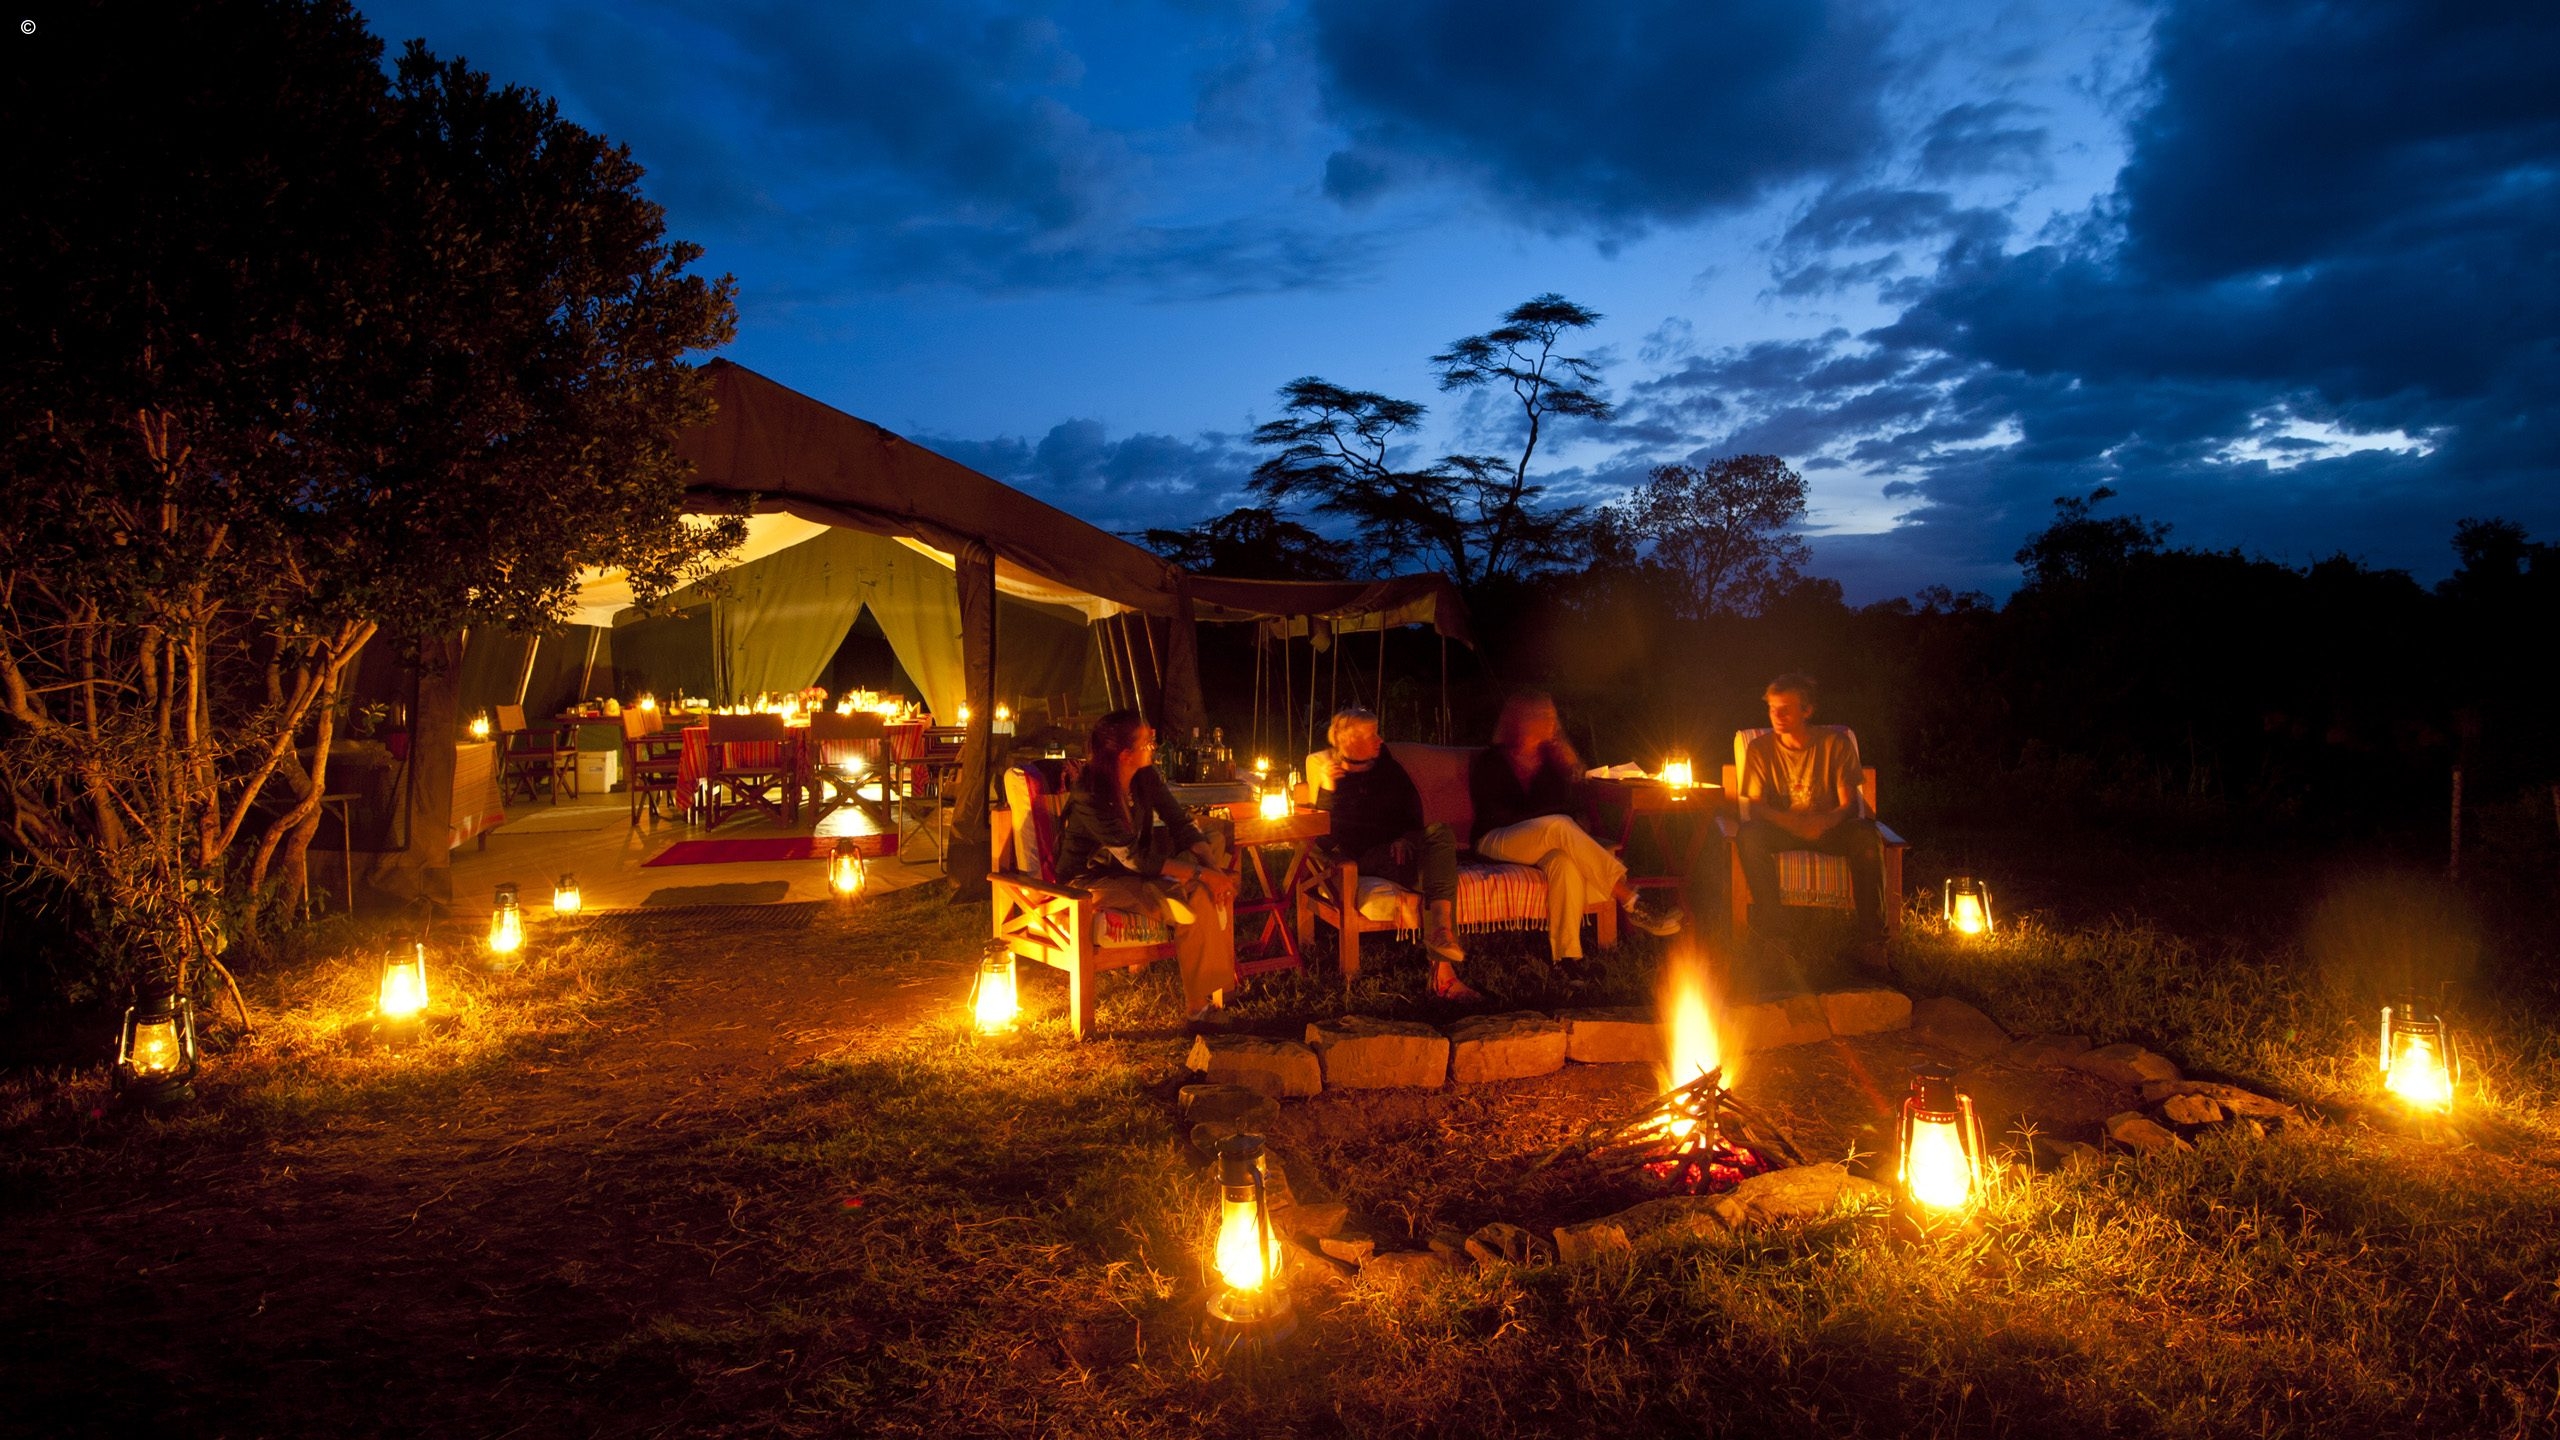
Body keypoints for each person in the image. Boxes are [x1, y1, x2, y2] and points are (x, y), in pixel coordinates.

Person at [1467, 690, 1684, 965]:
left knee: (1565, 864)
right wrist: (1551, 819)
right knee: (1558, 826)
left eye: (1551, 715)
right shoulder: (1491, 761)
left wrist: (1567, 759)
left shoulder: (1550, 764)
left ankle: (1568, 958)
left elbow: (1569, 802)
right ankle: (1631, 901)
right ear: (1522, 719)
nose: (1551, 721)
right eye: (1543, 715)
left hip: (1541, 842)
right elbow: (1499, 813)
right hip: (1494, 839)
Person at [1056, 709, 1241, 1024]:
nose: (1153, 748)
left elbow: (1179, 821)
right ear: (1126, 754)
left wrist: (1213, 868)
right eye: (1147, 743)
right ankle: (1199, 1006)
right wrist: (1202, 875)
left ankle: (1210, 990)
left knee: (1211, 841)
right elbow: (1136, 859)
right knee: (1191, 900)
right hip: (1092, 882)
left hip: (1133, 870)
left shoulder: (1145, 776)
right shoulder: (1091, 794)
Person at [1309, 707, 1477, 1001]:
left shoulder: (1389, 768)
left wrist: (1404, 837)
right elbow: (1324, 842)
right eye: (1371, 734)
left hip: (1402, 849)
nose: (1380, 740)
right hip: (1368, 856)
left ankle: (1441, 938)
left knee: (1440, 834)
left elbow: (1414, 814)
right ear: (1348, 741)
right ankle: (1444, 974)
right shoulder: (1333, 778)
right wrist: (1328, 790)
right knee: (1438, 877)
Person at [1733, 672, 1886, 968]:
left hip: (1829, 828)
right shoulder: (1760, 749)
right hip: (1782, 828)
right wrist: (1793, 823)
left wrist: (1824, 821)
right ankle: (1777, 938)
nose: (1776, 716)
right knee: (1749, 836)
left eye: (1785, 708)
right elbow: (1756, 808)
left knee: (1867, 837)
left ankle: (1873, 943)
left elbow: (1849, 805)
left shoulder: (1835, 744)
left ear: (1807, 710)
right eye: (1772, 708)